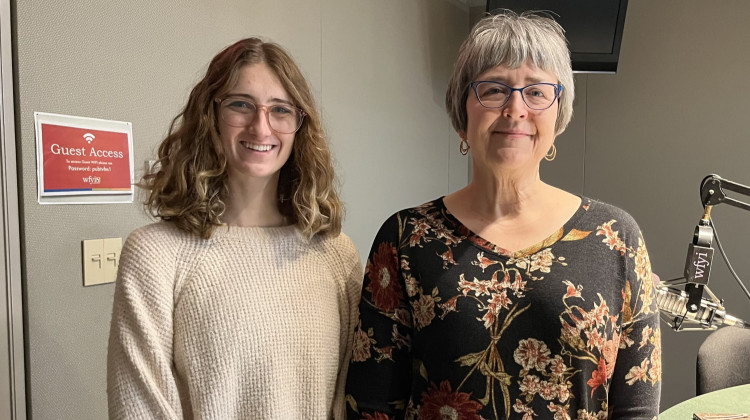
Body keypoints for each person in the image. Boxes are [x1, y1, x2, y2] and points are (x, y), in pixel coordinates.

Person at [345, 11, 661, 420]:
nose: (515, 109)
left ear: (557, 113)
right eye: (494, 90)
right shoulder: (407, 238)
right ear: (463, 114)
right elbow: (370, 405)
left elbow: (635, 407)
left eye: (536, 92)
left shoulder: (615, 237)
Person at [107, 38, 362, 419]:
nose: (261, 127)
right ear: (211, 113)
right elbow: (138, 407)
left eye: (280, 110)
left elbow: (349, 397)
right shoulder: (155, 254)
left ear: (299, 125)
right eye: (240, 104)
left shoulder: (337, 254)